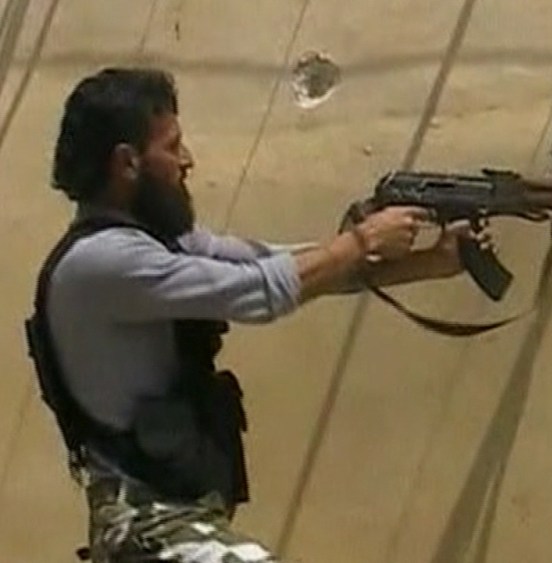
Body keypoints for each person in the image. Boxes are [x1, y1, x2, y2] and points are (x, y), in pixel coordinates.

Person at [24, 67, 487, 562]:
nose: (187, 160)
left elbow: (278, 265)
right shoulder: (104, 261)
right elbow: (261, 290)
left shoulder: (158, 244)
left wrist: (428, 263)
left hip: (180, 519)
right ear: (127, 162)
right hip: (145, 526)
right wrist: (360, 241)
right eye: (173, 146)